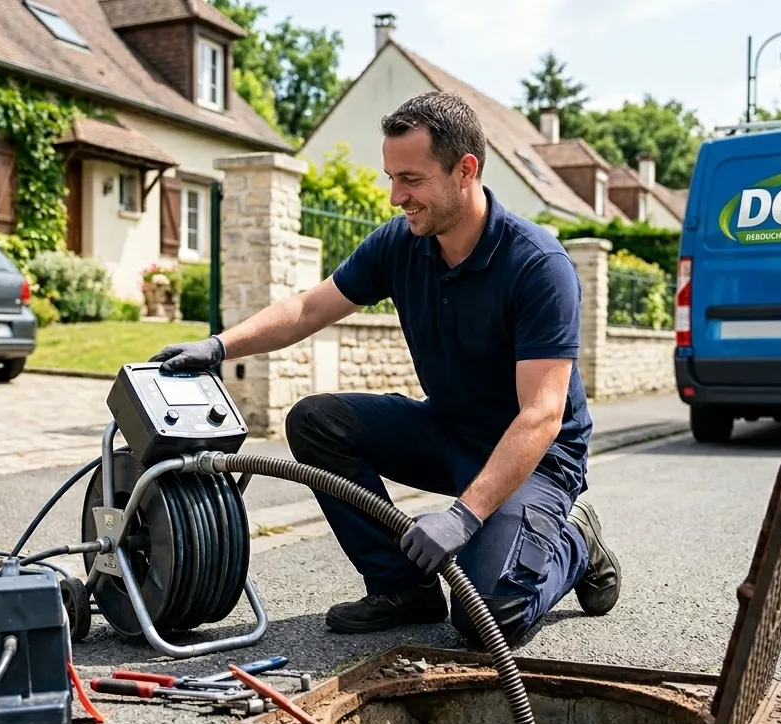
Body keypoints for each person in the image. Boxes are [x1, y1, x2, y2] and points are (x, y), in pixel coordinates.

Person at [150, 91, 620, 647]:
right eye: (391, 176)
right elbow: (308, 308)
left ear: (465, 170)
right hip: (449, 432)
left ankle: (575, 541)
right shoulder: (402, 244)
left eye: (412, 179)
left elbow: (541, 415)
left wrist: (464, 516)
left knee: (489, 616)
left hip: (536, 458)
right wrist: (220, 346)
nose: (396, 196)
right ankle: (404, 587)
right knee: (315, 421)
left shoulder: (537, 265)